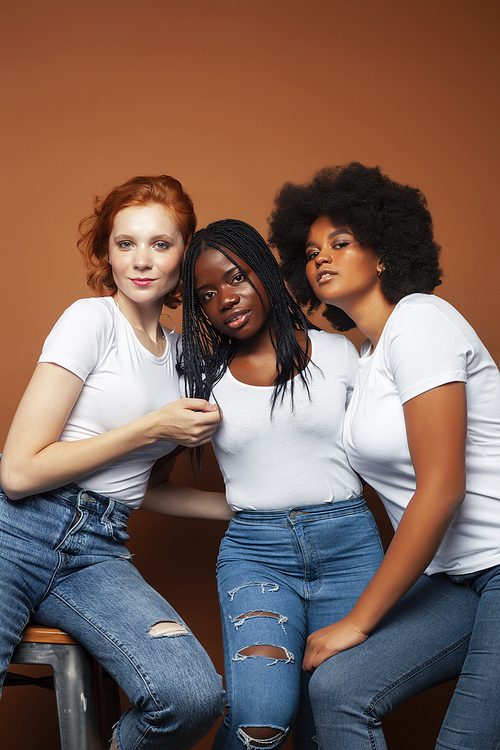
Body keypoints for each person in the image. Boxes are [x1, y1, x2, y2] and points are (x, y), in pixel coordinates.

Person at [268, 161, 500, 749]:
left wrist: (357, 621)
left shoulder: (420, 321)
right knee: (340, 689)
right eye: (312, 249)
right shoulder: (367, 357)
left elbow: (441, 486)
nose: (321, 257)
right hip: (456, 579)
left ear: (385, 254)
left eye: (340, 243)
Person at [0, 175, 227, 750]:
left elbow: (142, 487)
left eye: (160, 243)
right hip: (16, 526)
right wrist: (149, 427)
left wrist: (240, 508)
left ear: (186, 253)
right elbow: (20, 472)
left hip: (98, 548)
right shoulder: (91, 320)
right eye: (125, 244)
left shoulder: (184, 360)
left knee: (191, 696)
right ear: (107, 252)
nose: (141, 261)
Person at [181, 218, 385, 750]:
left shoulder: (342, 353)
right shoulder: (204, 382)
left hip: (351, 550)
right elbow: (140, 483)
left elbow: (390, 452)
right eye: (207, 294)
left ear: (265, 272)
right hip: (257, 553)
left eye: (236, 277)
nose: (226, 298)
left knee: (334, 718)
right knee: (261, 719)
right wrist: (236, 510)